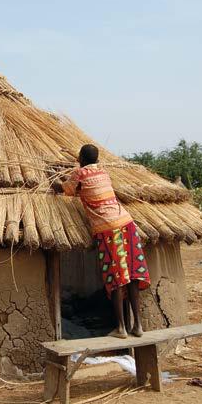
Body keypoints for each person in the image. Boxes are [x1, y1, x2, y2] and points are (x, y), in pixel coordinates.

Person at [61, 144, 150, 338]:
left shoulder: (80, 173)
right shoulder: (103, 172)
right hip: (127, 224)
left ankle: (120, 328)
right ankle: (138, 325)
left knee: (116, 276)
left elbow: (67, 191)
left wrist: (64, 178)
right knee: (133, 274)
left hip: (109, 229)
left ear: (81, 159)